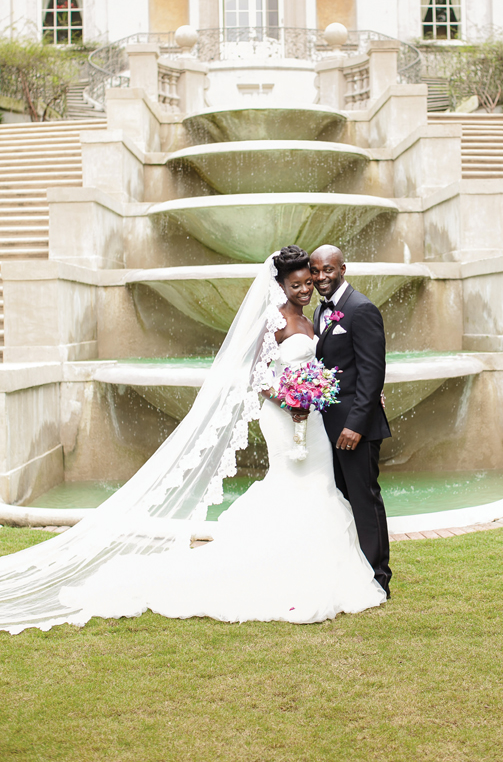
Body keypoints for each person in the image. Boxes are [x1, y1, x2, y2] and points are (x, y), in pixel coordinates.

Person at [0, 247, 385, 633]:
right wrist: (289, 401)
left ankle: (317, 566)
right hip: (285, 418)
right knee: (294, 484)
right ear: (280, 284)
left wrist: (361, 394)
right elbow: (256, 376)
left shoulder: (317, 313)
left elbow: (340, 363)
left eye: (310, 280)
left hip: (315, 420)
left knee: (320, 487)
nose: (307, 287)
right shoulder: (272, 320)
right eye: (298, 282)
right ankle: (277, 569)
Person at [310, 245, 392, 597]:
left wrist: (356, 425)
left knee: (364, 499)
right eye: (315, 271)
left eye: (328, 270)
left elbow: (373, 373)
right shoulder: (318, 312)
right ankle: (351, 570)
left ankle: (378, 578)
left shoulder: (361, 309)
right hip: (328, 427)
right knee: (341, 500)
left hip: (355, 429)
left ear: (342, 268)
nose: (321, 278)